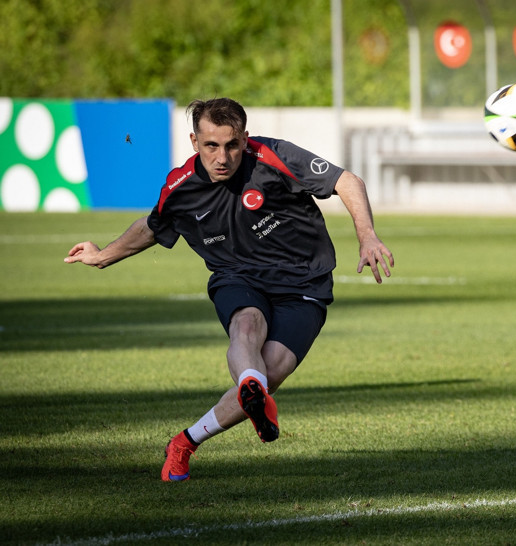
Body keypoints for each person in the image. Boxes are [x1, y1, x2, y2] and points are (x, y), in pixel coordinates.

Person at [65, 97, 393, 481]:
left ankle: (186, 441)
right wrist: (103, 256)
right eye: (211, 146)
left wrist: (367, 236)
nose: (222, 157)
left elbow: (346, 180)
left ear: (245, 138)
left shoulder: (271, 155)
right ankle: (252, 386)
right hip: (237, 275)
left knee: (275, 368)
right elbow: (152, 227)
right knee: (247, 324)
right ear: (194, 142)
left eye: (231, 145)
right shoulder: (181, 187)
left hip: (304, 280)